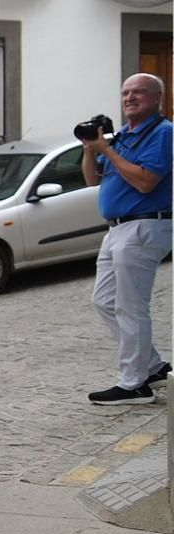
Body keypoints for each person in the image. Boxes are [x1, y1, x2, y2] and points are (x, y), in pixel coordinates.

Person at [81, 73, 172, 406]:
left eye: (139, 93)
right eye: (125, 93)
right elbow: (93, 179)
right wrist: (92, 149)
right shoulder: (123, 136)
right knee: (104, 301)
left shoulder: (163, 133)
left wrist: (108, 149)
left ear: (157, 98)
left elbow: (147, 181)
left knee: (131, 306)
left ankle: (134, 383)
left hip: (144, 226)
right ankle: (153, 367)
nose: (130, 98)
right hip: (117, 228)